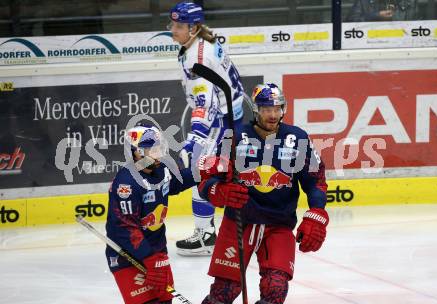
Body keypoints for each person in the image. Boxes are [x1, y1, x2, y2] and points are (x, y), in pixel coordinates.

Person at [197, 83, 330, 304]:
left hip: (278, 225)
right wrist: (218, 191)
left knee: (275, 289)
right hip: (239, 223)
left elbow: (316, 181)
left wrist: (317, 213)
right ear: (257, 110)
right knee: (224, 292)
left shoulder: (297, 139)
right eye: (267, 109)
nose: (273, 114)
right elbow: (206, 180)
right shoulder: (235, 137)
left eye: (277, 108)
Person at [168, 2, 246, 256]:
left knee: (199, 170)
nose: (173, 30)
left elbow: (206, 104)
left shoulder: (197, 57)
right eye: (173, 24)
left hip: (221, 120)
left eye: (179, 26)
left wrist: (195, 138)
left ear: (194, 27)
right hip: (229, 114)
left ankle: (206, 235)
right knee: (212, 172)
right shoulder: (202, 41)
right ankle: (211, 231)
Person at [105, 124, 197, 304]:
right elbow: (126, 229)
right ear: (135, 152)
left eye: (158, 147)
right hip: (127, 258)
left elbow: (178, 181)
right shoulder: (127, 184)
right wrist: (148, 257)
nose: (157, 153)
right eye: (150, 149)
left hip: (157, 252)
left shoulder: (161, 169)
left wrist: (207, 170)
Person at [346, 0, 418, 21]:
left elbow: (417, 24)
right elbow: (350, 22)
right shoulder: (364, 2)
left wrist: (395, 16)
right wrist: (375, 16)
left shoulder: (408, 2)